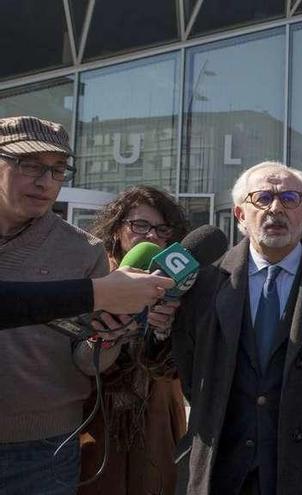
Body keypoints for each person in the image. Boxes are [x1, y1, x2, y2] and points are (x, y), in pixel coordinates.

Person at [172, 162, 302, 495]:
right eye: (262, 197)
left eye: (290, 198)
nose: (276, 208)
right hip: (219, 469)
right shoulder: (203, 284)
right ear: (240, 215)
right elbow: (188, 370)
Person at [0, 116, 121, 493]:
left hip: (43, 450)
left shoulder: (83, 251)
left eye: (57, 170)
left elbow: (89, 361)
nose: (45, 182)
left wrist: (110, 337)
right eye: (30, 165)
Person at [77, 186, 190, 495]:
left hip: (157, 419)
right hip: (95, 419)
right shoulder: (92, 277)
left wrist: (166, 329)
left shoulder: (178, 287)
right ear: (117, 229)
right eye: (139, 225)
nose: (150, 236)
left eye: (161, 229)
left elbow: (178, 369)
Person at [0, 268, 174, 330]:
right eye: (140, 225)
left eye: (163, 229)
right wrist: (102, 293)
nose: (43, 183)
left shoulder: (86, 248)